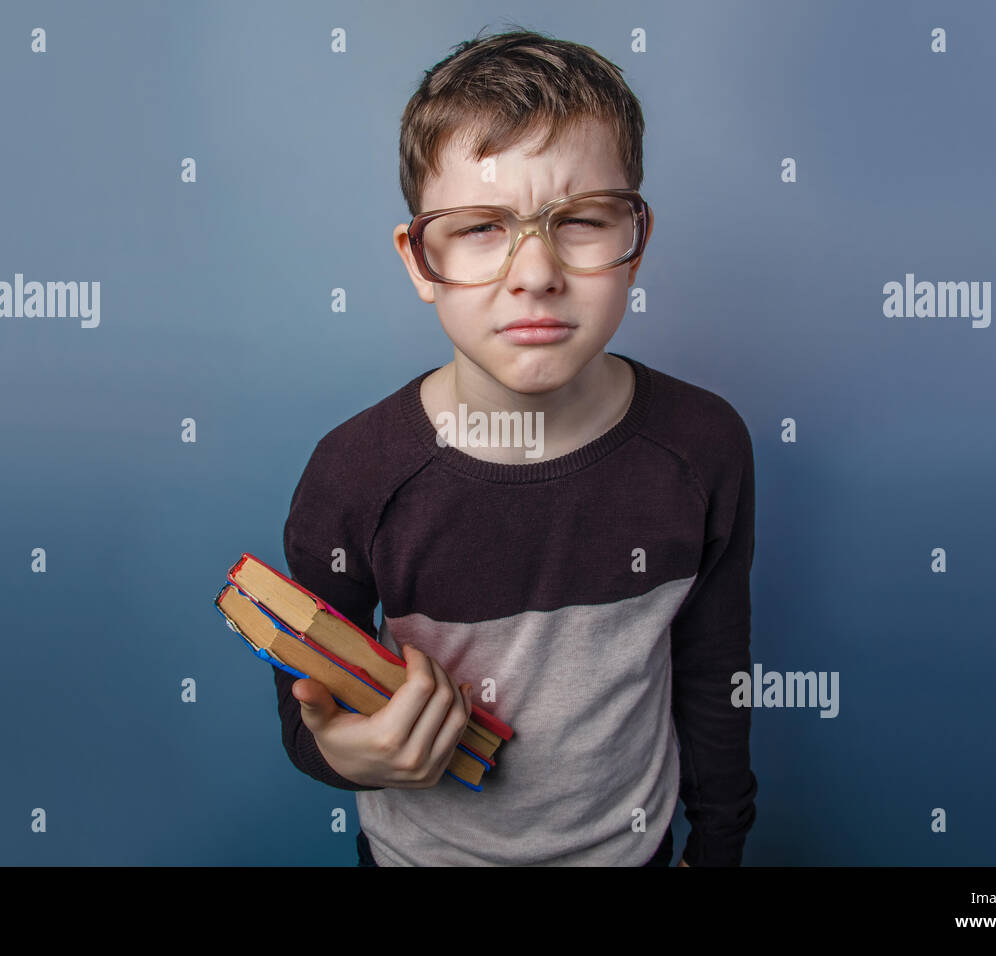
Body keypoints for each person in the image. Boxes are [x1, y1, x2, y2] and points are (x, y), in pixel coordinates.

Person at [273, 27, 757, 867]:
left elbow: (714, 671)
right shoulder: (352, 475)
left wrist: (718, 847)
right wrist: (342, 754)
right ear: (421, 260)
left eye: (580, 221)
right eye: (481, 229)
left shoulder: (705, 445)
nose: (534, 273)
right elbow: (309, 710)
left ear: (634, 243)